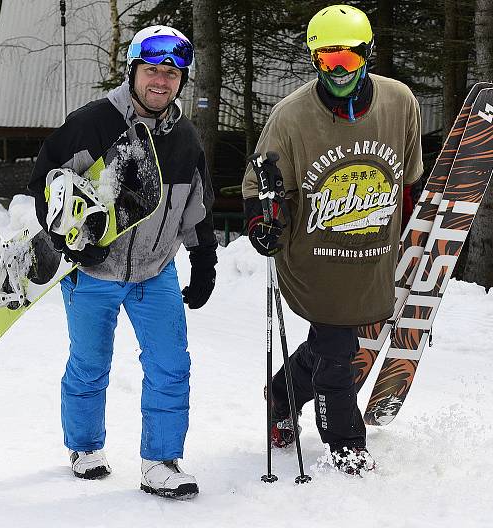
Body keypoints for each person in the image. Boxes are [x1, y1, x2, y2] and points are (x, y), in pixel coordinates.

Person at [27, 25, 217, 499]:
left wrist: (205, 258)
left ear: (181, 80)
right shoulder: (93, 122)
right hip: (93, 272)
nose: (161, 81)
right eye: (152, 70)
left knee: (172, 365)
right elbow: (45, 184)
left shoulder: (186, 137)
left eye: (172, 74)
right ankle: (85, 448)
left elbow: (197, 205)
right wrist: (69, 241)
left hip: (156, 272)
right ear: (133, 71)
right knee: (91, 363)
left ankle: (162, 462)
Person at [241, 4, 423, 475]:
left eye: (348, 59)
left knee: (329, 343)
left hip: (371, 259)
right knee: (339, 354)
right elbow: (256, 185)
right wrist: (262, 222)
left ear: (368, 55)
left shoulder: (400, 102)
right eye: (326, 60)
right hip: (314, 260)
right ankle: (345, 443)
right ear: (313, 59)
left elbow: (406, 179)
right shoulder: (290, 117)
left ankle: (282, 394)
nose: (337, 71)